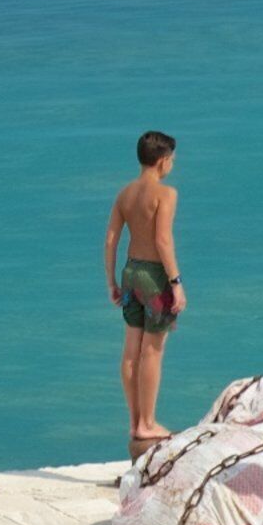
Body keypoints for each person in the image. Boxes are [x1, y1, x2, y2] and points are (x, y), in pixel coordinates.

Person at [102, 130, 183, 453]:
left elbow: (111, 240)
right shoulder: (165, 194)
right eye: (172, 159)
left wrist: (112, 281)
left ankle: (135, 420)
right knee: (152, 351)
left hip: (131, 273)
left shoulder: (125, 194)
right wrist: (175, 282)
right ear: (163, 161)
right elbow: (163, 240)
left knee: (130, 350)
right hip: (154, 278)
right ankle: (148, 422)